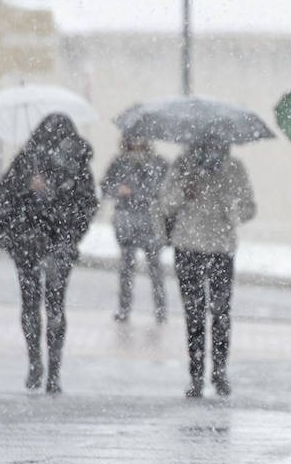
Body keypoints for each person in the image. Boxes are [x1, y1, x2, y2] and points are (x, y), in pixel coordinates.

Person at [0, 113, 98, 394]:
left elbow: (5, 196)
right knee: (49, 307)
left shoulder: (63, 163)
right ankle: (44, 368)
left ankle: (43, 367)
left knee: (37, 306)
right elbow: (87, 205)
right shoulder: (33, 162)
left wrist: (51, 195)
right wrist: (29, 189)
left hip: (37, 242)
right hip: (39, 243)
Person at [158, 138, 256, 398]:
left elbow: (247, 209)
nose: (209, 149)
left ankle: (220, 371)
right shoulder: (182, 165)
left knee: (221, 312)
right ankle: (196, 373)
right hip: (188, 246)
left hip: (221, 248)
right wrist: (183, 192)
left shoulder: (234, 169)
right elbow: (166, 203)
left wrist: (225, 201)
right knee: (194, 313)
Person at [100, 134, 169, 323]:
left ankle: (161, 309)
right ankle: (124, 309)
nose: (137, 142)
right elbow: (105, 187)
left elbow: (166, 189)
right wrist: (117, 189)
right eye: (133, 137)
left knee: (155, 268)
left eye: (141, 137)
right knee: (126, 268)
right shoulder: (119, 163)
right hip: (127, 221)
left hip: (150, 222)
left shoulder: (158, 163)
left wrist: (144, 193)